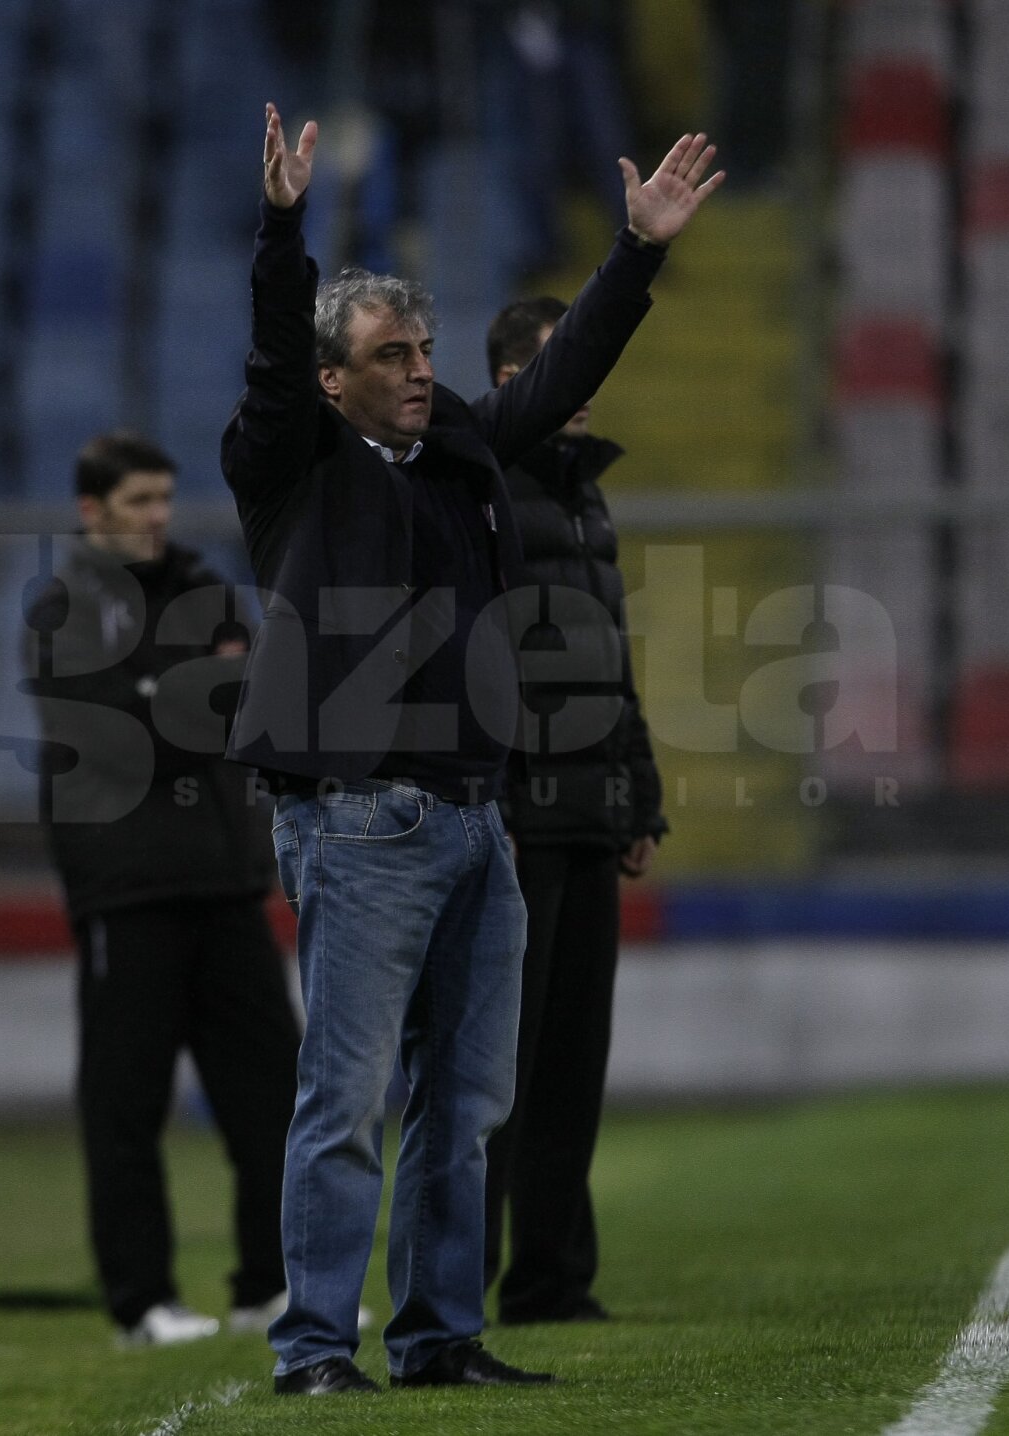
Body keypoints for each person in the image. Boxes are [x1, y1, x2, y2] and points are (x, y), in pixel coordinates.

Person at [222, 102, 721, 1395]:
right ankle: (316, 1349)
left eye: (427, 350)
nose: (418, 369)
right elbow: (275, 358)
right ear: (337, 377)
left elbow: (557, 382)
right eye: (392, 353)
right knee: (345, 1105)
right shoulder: (288, 463)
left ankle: (440, 1336)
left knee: (467, 1106)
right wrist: (282, 228)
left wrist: (638, 254)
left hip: (474, 816)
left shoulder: (457, 451)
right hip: (357, 815)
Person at [23, 431, 302, 1347]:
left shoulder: (206, 592)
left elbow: (258, 707)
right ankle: (142, 1304)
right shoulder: (61, 609)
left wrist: (170, 695)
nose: (156, 518)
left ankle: (271, 1287)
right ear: (91, 510)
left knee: (274, 1098)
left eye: (163, 500)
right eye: (138, 501)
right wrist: (192, 695)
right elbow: (112, 732)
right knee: (126, 1107)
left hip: (226, 883)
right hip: (126, 891)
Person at [482, 298, 668, 1325]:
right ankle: (455, 1282)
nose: (583, 388)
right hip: (519, 817)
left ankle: (551, 1279)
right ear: (511, 383)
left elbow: (613, 667)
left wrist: (639, 792)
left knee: (568, 1064)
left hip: (590, 809)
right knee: (495, 1068)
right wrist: (496, 796)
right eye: (560, 368)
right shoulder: (485, 490)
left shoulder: (588, 501)